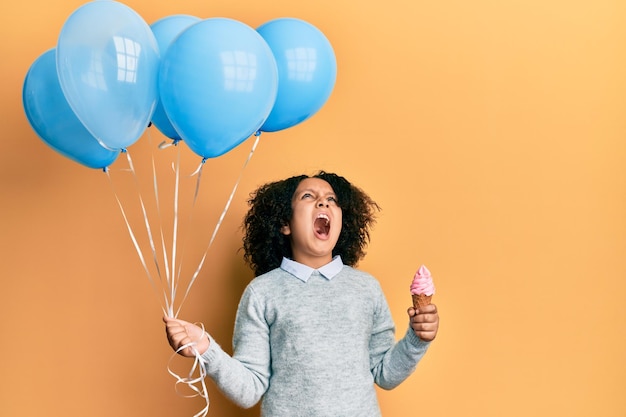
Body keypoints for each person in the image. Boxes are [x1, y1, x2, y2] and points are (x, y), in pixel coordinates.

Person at [164, 171, 439, 416]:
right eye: (309, 196)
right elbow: (249, 390)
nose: (324, 202)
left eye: (332, 199)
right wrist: (207, 351)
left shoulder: (367, 288)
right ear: (285, 224)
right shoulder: (262, 293)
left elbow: (385, 373)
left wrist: (417, 339)